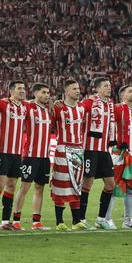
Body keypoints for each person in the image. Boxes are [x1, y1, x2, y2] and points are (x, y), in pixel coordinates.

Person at [0, 80, 28, 230]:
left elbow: (39, 105)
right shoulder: (1, 104)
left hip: (17, 153)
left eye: (23, 88)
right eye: (19, 88)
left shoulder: (25, 106)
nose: (22, 91)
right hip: (3, 151)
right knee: (0, 184)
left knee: (11, 186)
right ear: (11, 91)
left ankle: (5, 222)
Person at [80, 76, 117, 230]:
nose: (109, 88)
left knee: (110, 184)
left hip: (104, 150)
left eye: (109, 85)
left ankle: (101, 219)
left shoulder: (110, 104)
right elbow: (79, 119)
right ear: (97, 88)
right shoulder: (88, 102)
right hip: (90, 149)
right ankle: (80, 219)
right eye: (106, 86)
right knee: (87, 183)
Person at [15, 82, 52, 231]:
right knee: (24, 187)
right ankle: (16, 220)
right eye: (43, 92)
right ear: (35, 93)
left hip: (45, 156)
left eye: (48, 92)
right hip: (31, 155)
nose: (47, 95)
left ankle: (36, 222)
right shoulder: (28, 107)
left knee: (40, 188)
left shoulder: (48, 110)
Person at [51, 79, 87, 230]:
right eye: (74, 89)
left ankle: (76, 221)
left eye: (78, 88)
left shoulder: (82, 108)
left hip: (78, 150)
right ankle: (59, 221)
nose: (78, 91)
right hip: (62, 149)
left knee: (76, 184)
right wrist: (52, 102)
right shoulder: (58, 108)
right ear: (66, 92)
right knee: (60, 184)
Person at [112, 84, 132, 229]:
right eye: (130, 91)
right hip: (119, 154)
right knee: (112, 187)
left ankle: (128, 220)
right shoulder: (117, 109)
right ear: (122, 95)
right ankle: (106, 219)